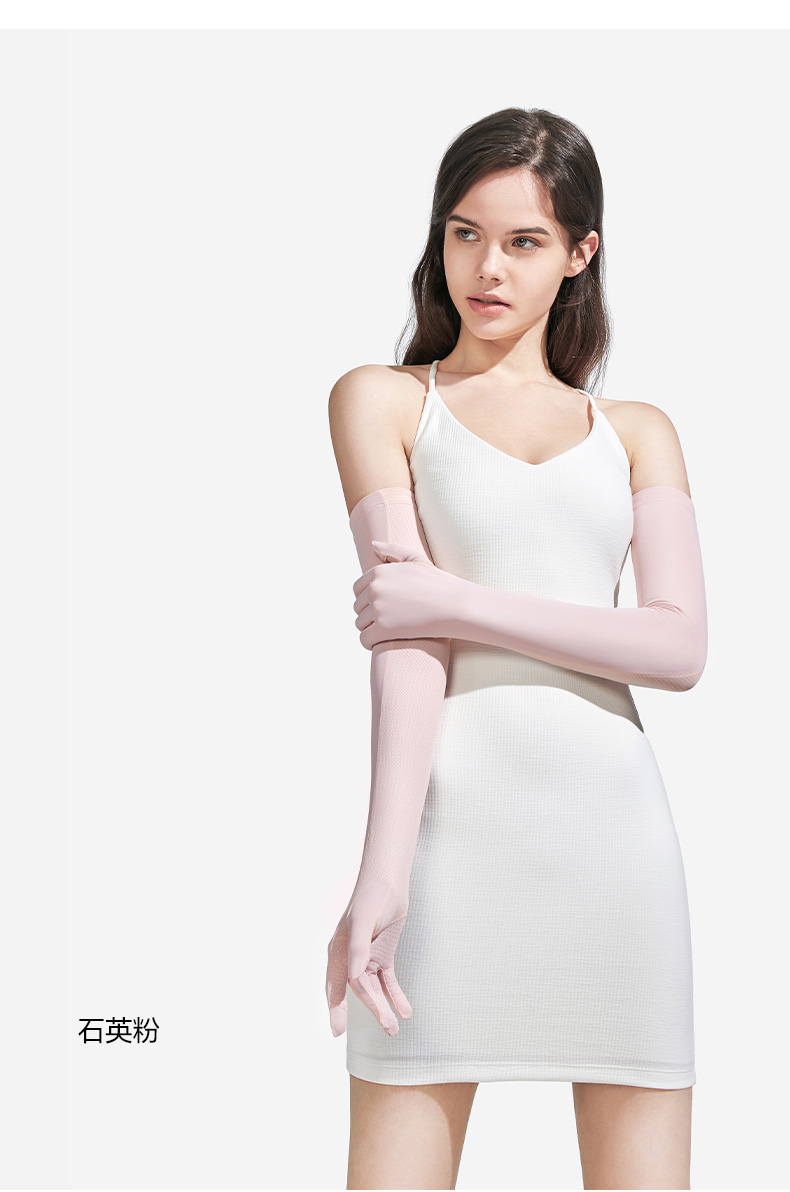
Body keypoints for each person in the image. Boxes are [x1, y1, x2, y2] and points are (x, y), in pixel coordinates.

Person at [325, 106, 707, 1191]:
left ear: (580, 253)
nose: (486, 268)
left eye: (524, 241)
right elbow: (407, 647)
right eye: (464, 234)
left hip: (615, 846)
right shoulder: (384, 400)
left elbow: (678, 648)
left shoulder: (635, 432)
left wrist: (456, 598)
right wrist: (381, 873)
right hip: (447, 841)